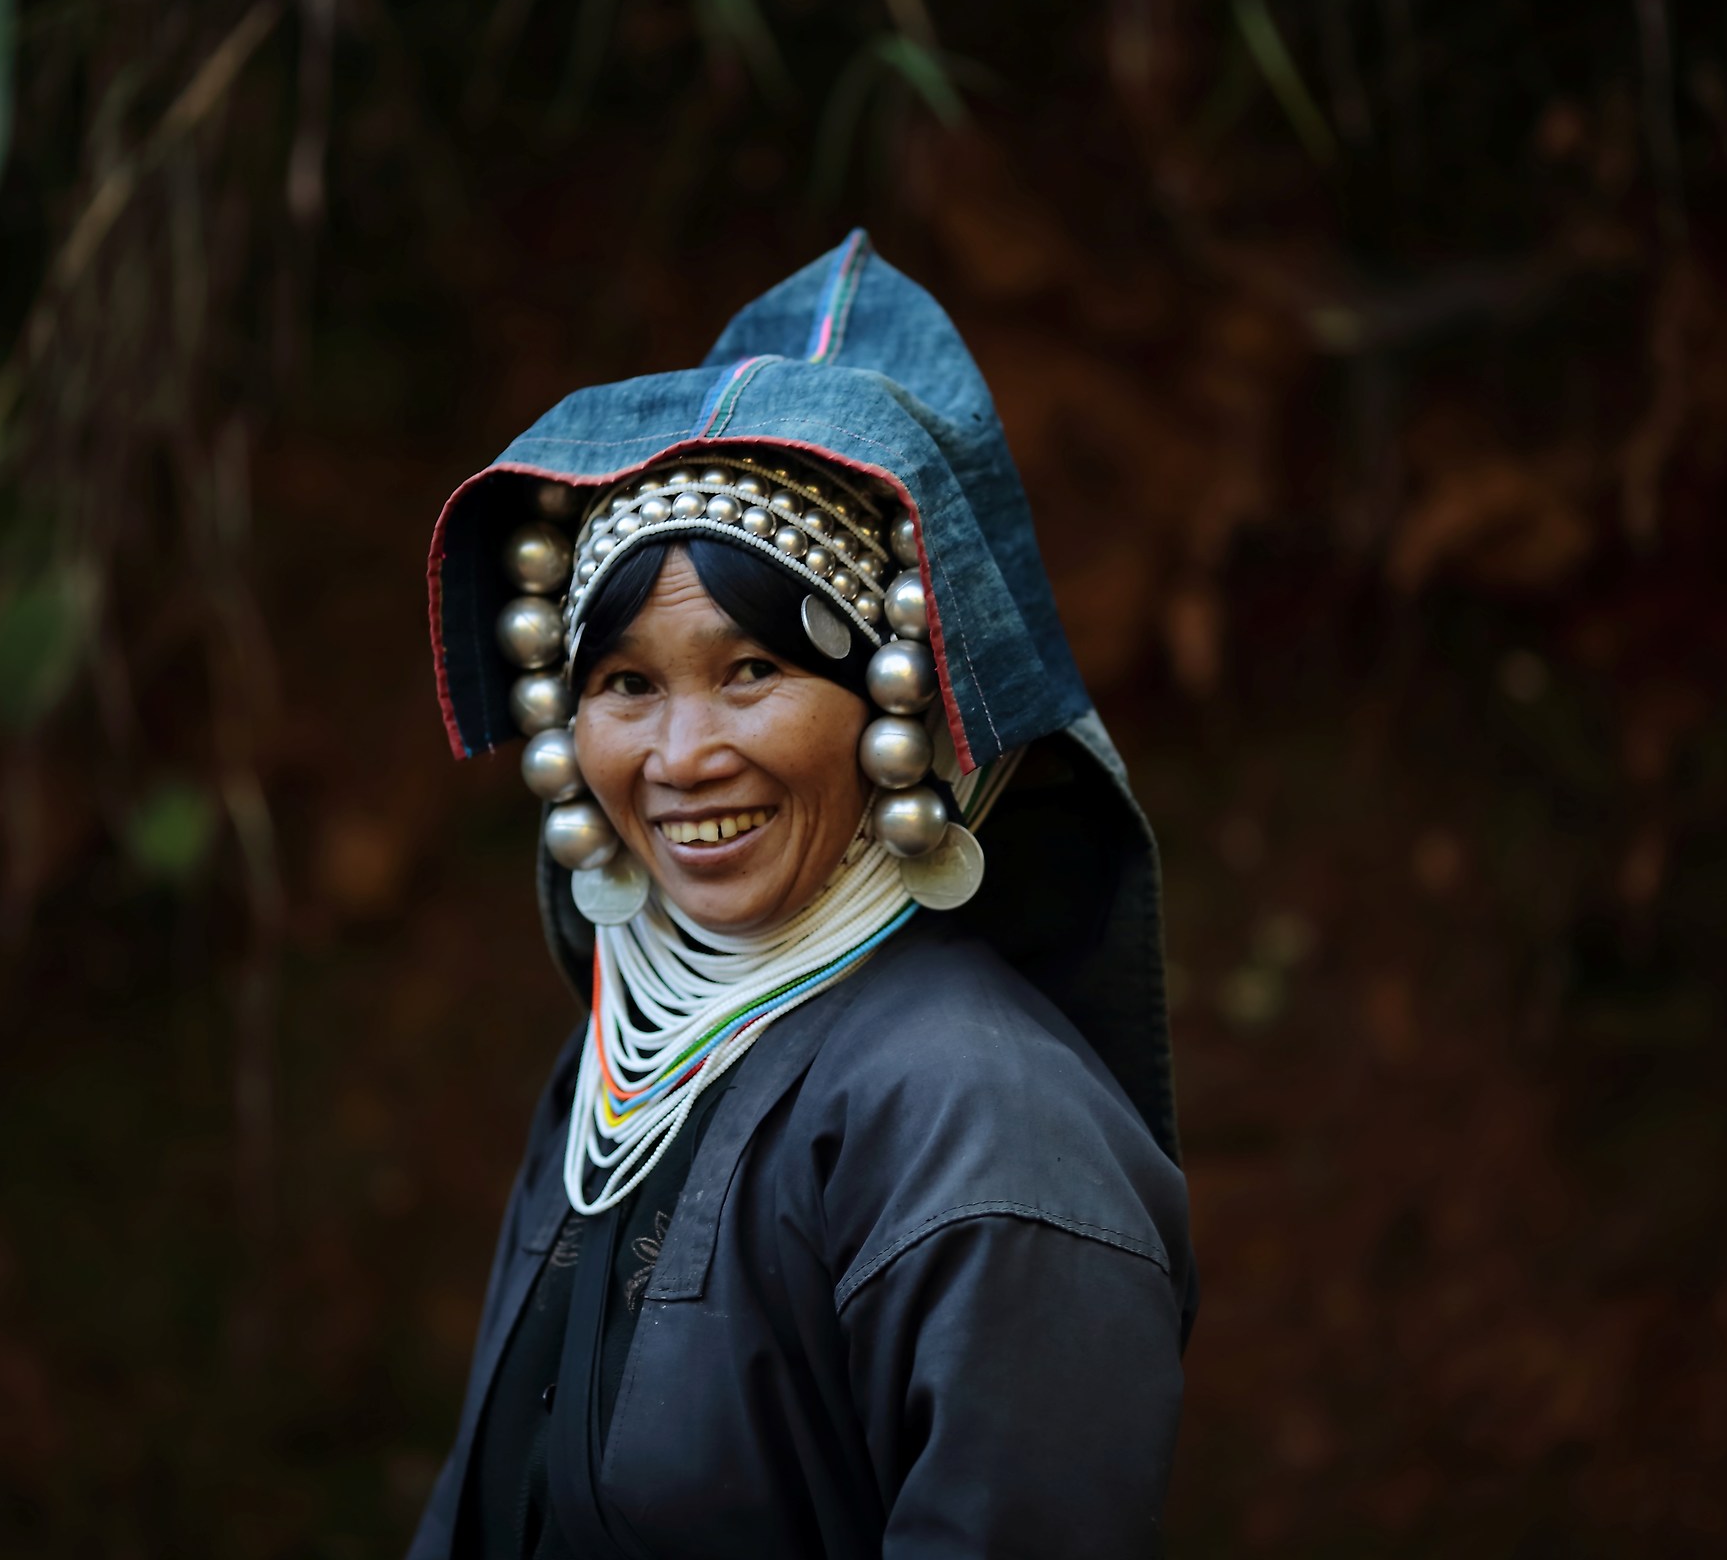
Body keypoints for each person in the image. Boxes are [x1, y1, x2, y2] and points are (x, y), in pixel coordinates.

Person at [413, 230, 1194, 1560]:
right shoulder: (618, 1073)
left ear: (903, 708)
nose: (681, 757)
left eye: (754, 671)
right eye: (626, 684)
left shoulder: (980, 1117)